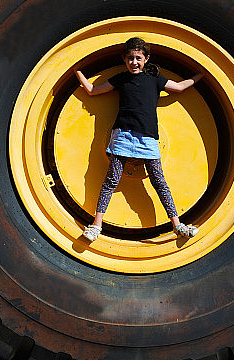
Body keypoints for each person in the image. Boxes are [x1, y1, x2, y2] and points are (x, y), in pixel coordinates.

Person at [75, 37, 203, 242]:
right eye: (130, 58)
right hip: (123, 136)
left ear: (146, 59)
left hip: (148, 140)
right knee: (111, 181)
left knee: (159, 182)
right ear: (124, 60)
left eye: (138, 58)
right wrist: (76, 69)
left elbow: (179, 87)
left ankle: (177, 226)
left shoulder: (155, 79)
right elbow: (91, 90)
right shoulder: (121, 78)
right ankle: (96, 226)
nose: (134, 62)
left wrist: (201, 74)